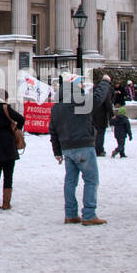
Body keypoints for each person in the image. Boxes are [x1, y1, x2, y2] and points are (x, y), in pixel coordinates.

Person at [50, 75, 110, 225]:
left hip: (66, 148)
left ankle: (70, 214)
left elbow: (53, 131)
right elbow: (98, 98)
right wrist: (104, 82)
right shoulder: (78, 100)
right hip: (83, 145)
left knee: (70, 181)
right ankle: (89, 214)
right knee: (91, 180)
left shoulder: (56, 107)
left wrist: (57, 151)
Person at [92, 74, 114, 157]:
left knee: (94, 132)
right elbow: (108, 102)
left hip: (93, 112)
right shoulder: (107, 88)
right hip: (102, 114)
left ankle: (93, 148)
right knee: (101, 132)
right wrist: (111, 115)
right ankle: (99, 150)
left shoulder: (95, 87)